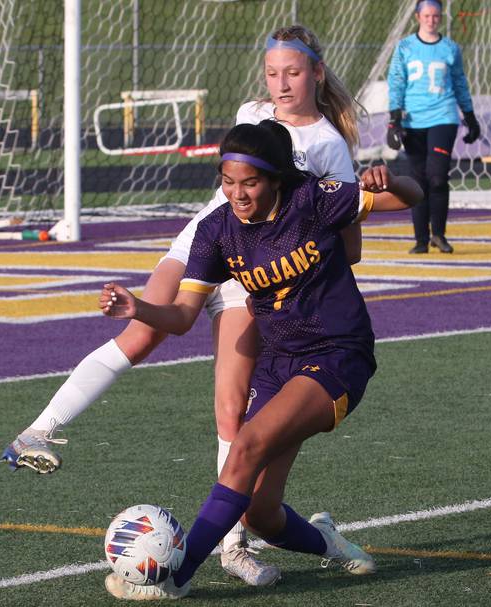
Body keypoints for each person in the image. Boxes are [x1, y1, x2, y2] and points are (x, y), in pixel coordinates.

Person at [1, 25, 364, 587]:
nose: (281, 82)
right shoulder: (253, 111)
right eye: (272, 72)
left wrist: (304, 268)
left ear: (317, 73)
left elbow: (347, 235)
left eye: (293, 71)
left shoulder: (329, 144)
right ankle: (40, 429)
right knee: (141, 329)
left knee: (230, 409)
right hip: (202, 243)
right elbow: (229, 198)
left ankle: (233, 545)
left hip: (251, 275)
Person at [99, 119, 423, 600]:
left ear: (274, 179)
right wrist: (137, 308)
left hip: (337, 355)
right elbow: (184, 316)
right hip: (277, 362)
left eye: (249, 183)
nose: (238, 193)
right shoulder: (217, 231)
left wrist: (389, 181)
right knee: (260, 513)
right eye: (228, 182)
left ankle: (176, 577)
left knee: (245, 446)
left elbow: (411, 195)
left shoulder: (314, 199)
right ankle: (331, 543)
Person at [386, 0, 481, 255]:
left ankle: (439, 234)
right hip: (413, 121)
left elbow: (460, 83)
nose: (431, 20)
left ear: (440, 17)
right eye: (427, 15)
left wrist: (470, 117)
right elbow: (396, 81)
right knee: (418, 180)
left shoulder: (450, 48)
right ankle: (420, 239)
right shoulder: (405, 47)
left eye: (436, 15)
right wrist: (394, 119)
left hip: (444, 116)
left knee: (437, 177)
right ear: (418, 17)